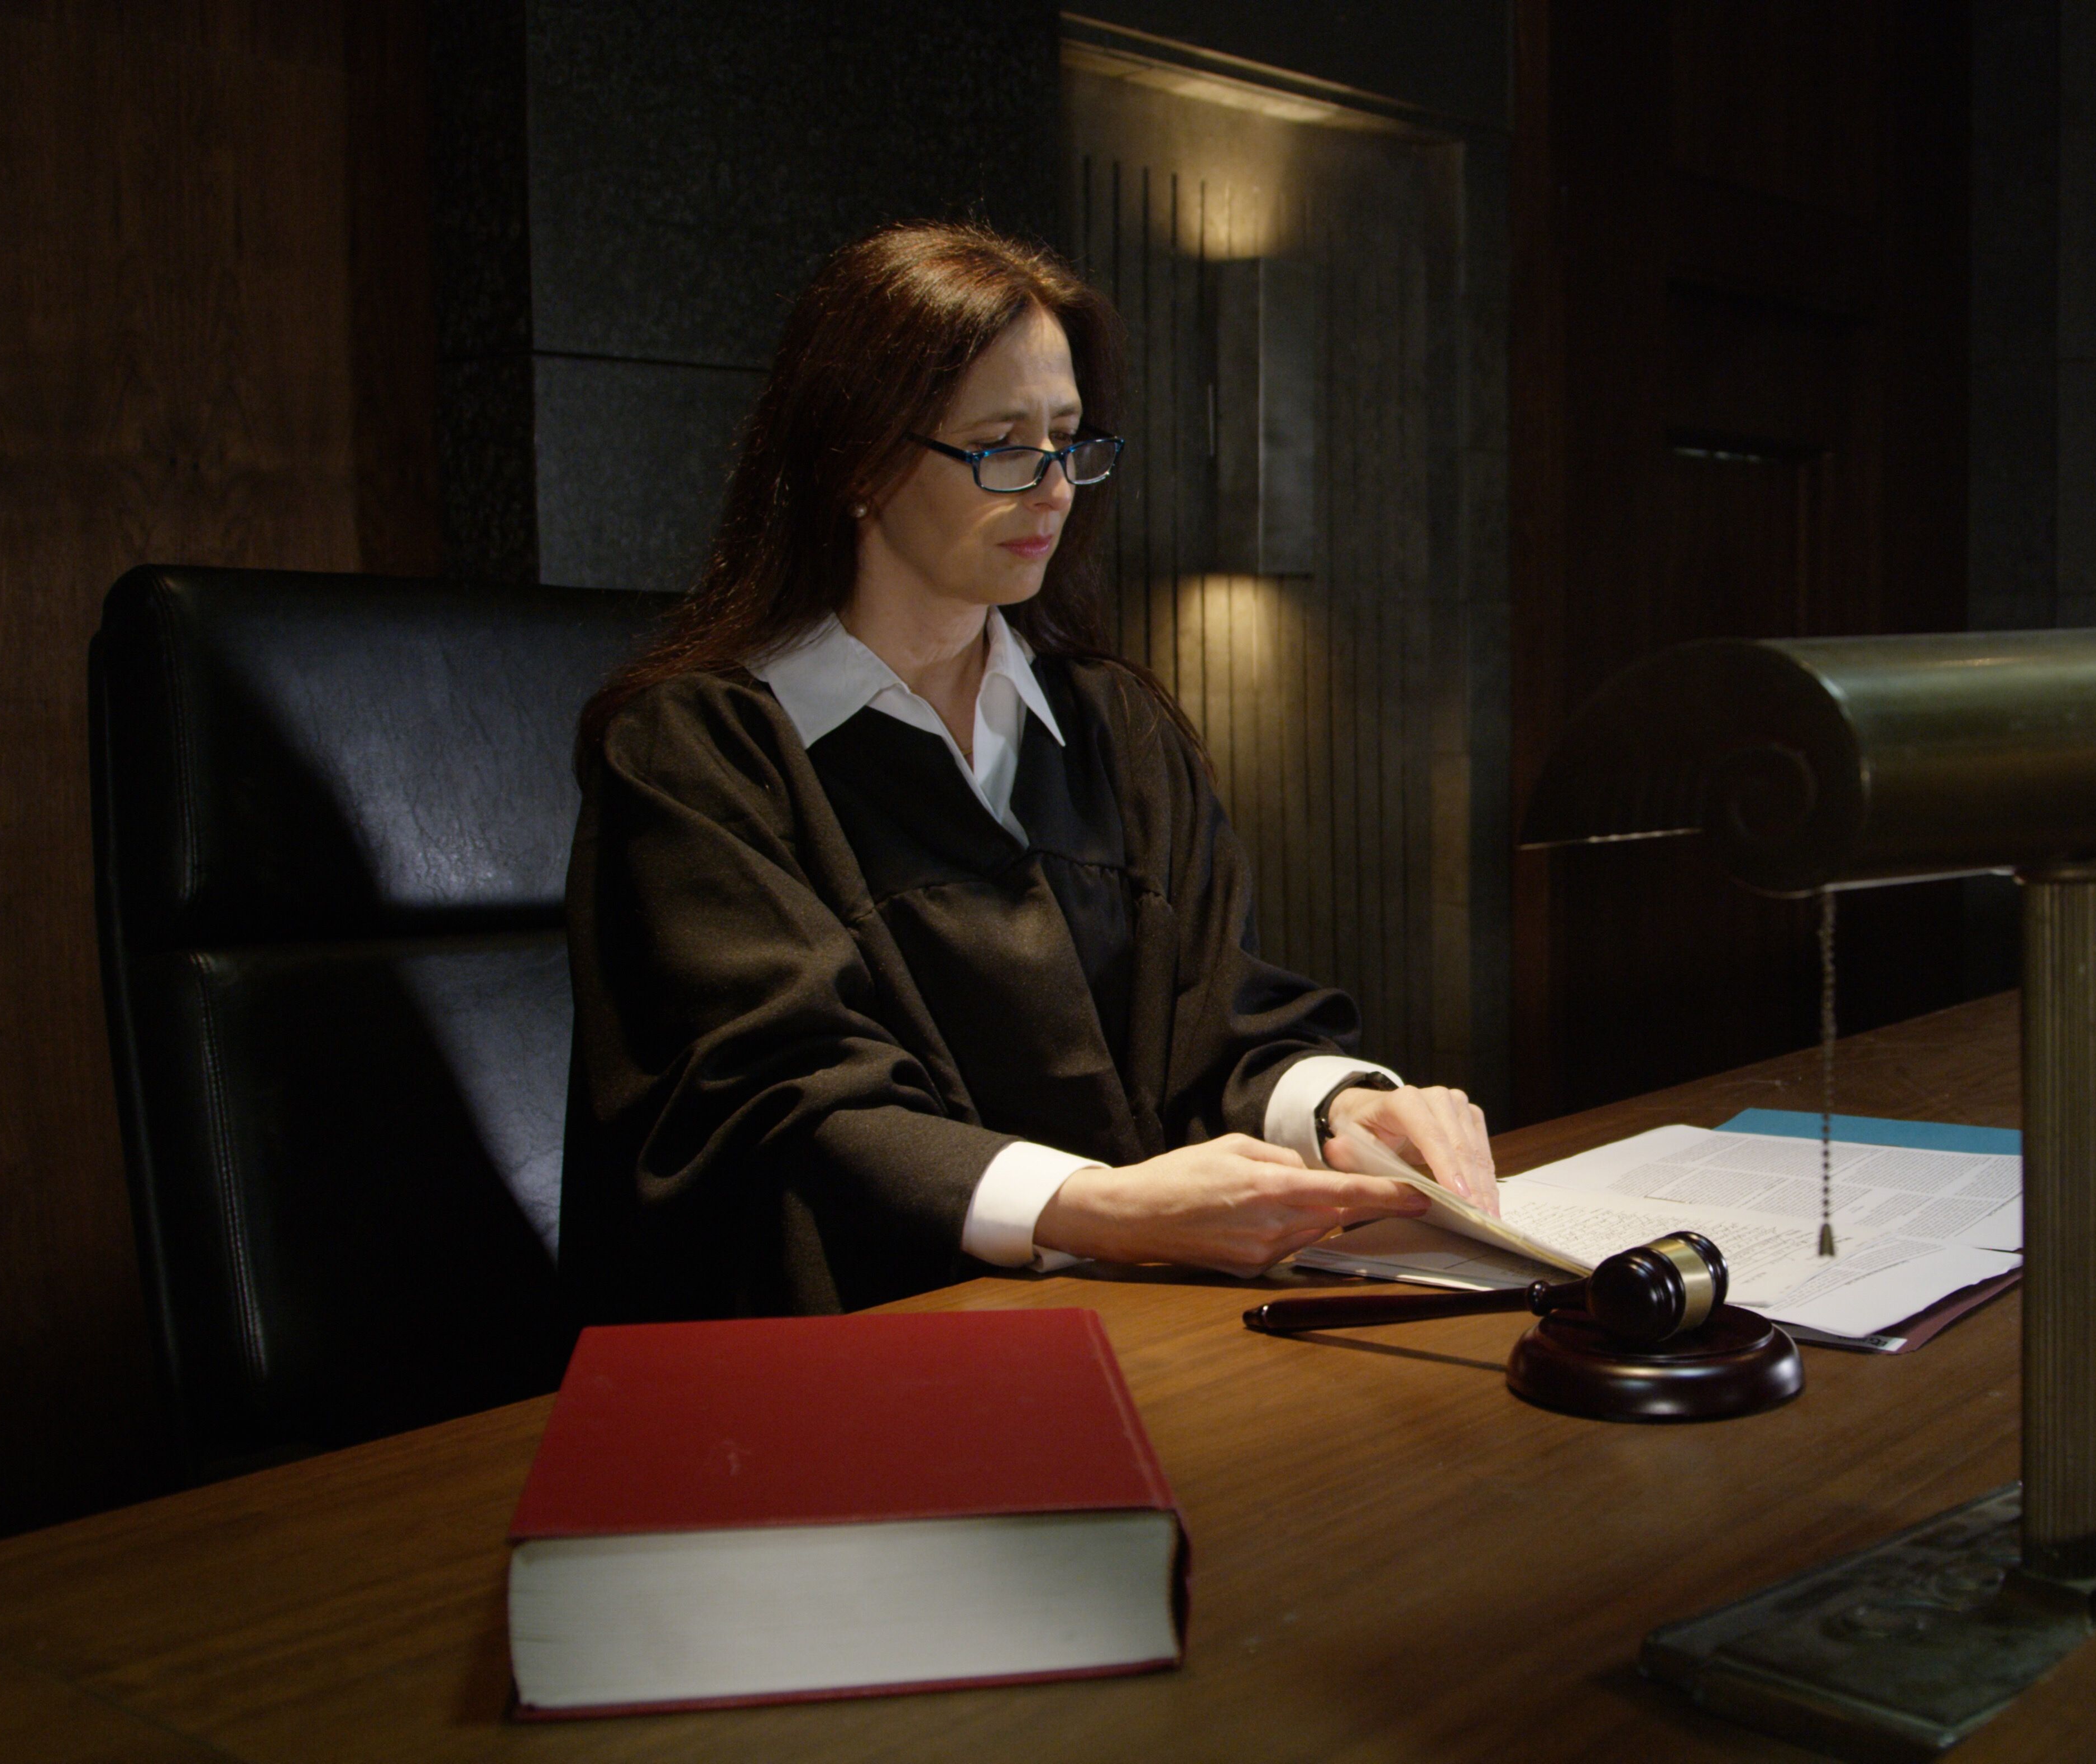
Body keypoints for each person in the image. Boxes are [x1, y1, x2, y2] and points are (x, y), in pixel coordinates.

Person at [562, 221, 1493, 1320]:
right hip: (855, 1362)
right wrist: (1092, 1205)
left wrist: (1341, 1107)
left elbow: (1218, 1019)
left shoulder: (1112, 723)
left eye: (1068, 439)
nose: (1055, 491)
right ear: (858, 457)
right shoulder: (700, 751)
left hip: (1136, 1319)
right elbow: (782, 1100)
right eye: (1004, 444)